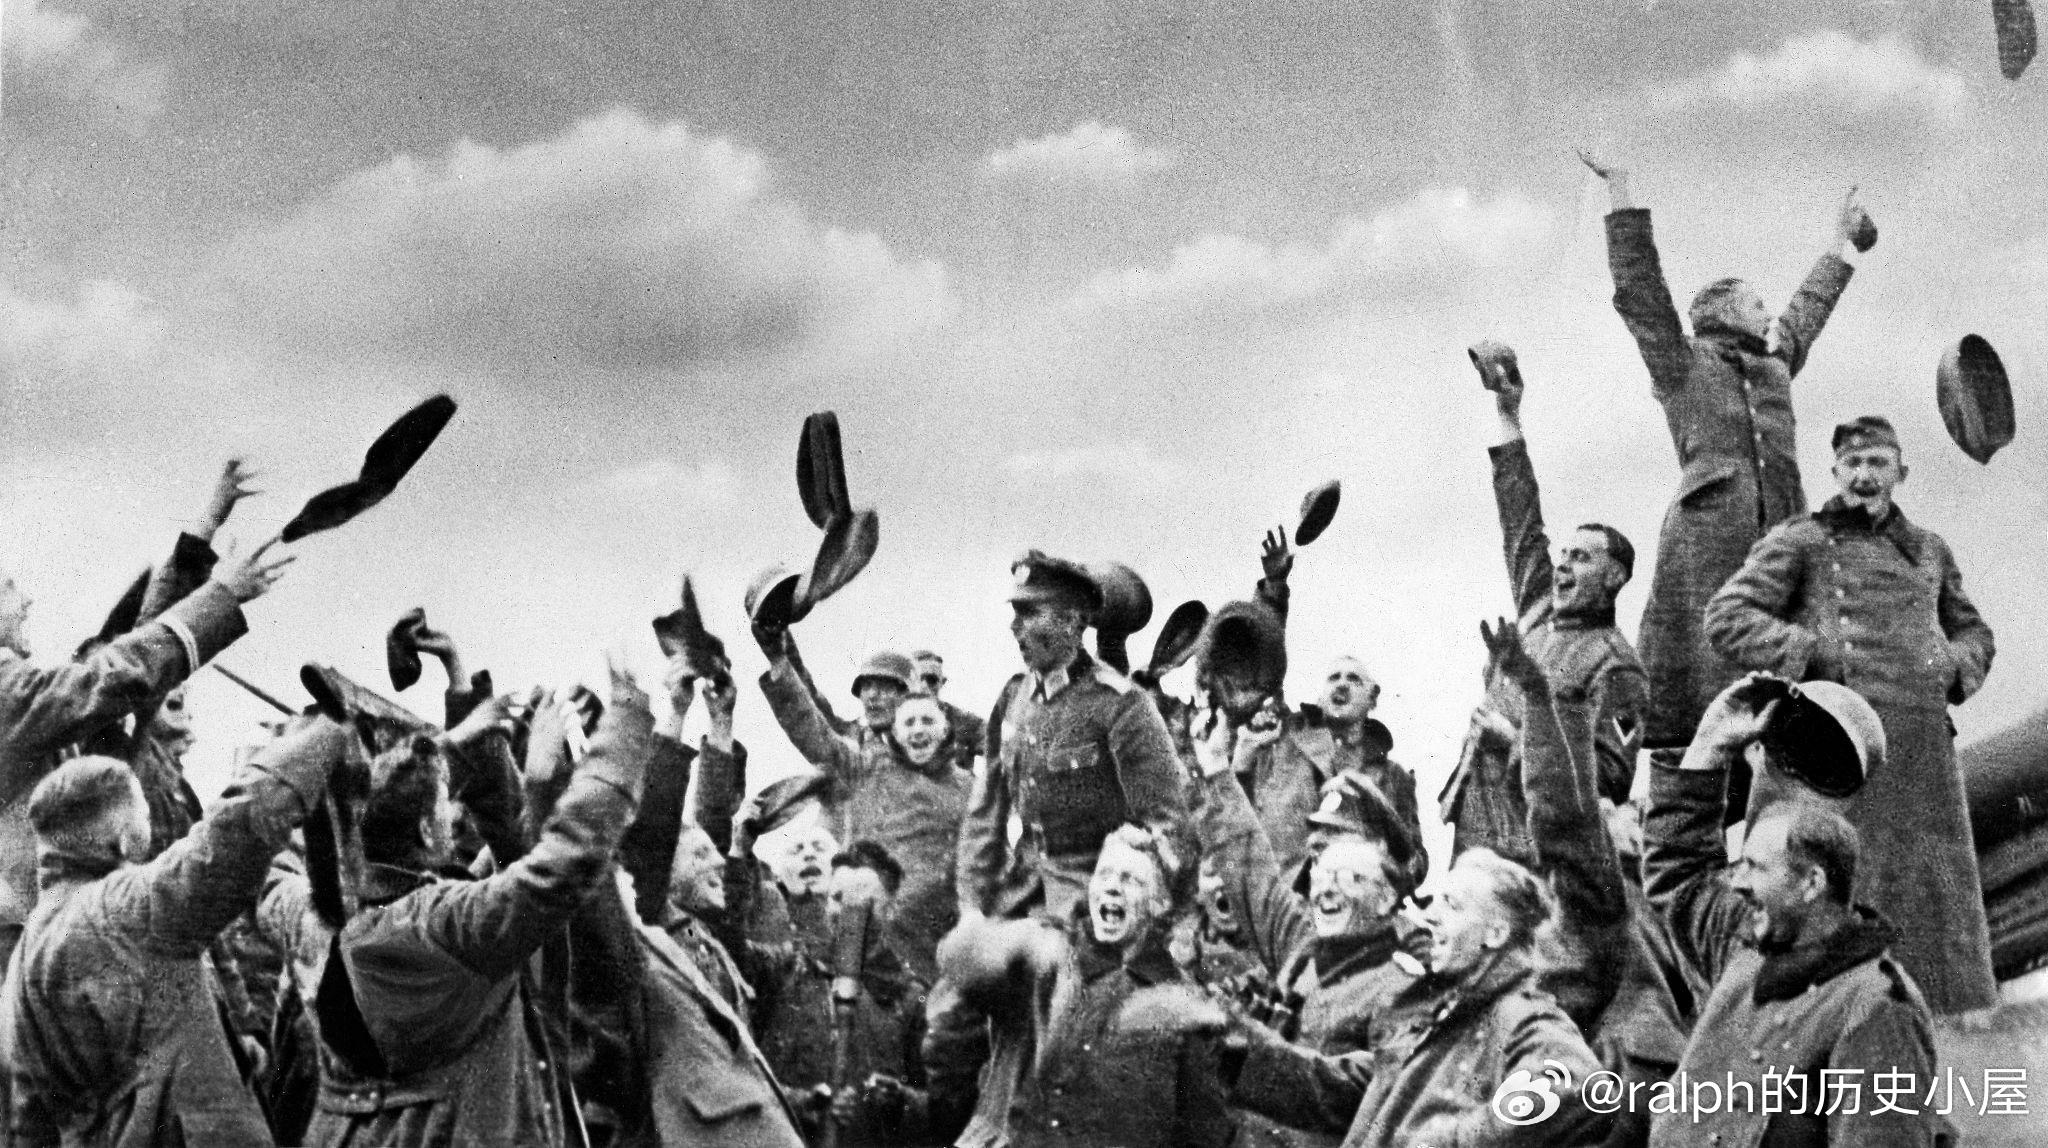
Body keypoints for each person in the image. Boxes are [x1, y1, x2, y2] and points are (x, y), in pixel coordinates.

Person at [1705, 415, 1996, 1014]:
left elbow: (1974, 633)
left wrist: (1950, 665)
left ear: (1900, 472)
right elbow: (1727, 615)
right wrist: (1813, 653)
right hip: (1828, 752)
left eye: (1877, 463)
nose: (1864, 476)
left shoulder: (1929, 549)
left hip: (1920, 759)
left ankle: (1937, 1024)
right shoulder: (1802, 539)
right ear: (1835, 472)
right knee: (1817, 887)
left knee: (1929, 903)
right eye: (1853, 464)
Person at [1582, 152, 1868, 757]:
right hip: (1706, 542)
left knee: (1793, 671)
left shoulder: (1774, 362)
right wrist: (1620, 189)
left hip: (1783, 531)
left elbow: (1807, 309)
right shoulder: (1682, 363)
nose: (1770, 313)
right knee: (1707, 670)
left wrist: (1841, 244)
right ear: (1726, 311)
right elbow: (1642, 294)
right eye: (1757, 303)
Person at [298, 663, 652, 1148]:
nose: (455, 812)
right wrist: (625, 724)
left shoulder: (355, 921)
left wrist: (466, 732)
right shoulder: (441, 922)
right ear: (427, 832)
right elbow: (557, 868)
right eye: (445, 802)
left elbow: (415, 804)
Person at [0, 718, 347, 1147]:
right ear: (125, 839)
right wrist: (330, 729)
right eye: (144, 816)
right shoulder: (121, 909)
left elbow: (26, 1122)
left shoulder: (27, 951)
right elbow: (236, 829)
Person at [1643, 674, 1945, 1145]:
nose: (1737, 883)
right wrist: (1711, 743)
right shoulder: (1748, 943)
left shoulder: (1876, 1008)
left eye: (1755, 868)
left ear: (1812, 883)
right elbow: (1680, 874)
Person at [0, 528, 291, 969]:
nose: (27, 600)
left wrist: (205, 534)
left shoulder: (26, 710)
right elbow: (111, 678)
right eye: (9, 588)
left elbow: (128, 664)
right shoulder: (9, 697)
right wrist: (219, 597)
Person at [1442, 341, 1647, 864]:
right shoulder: (1540, 609)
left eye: (1581, 557)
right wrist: (1507, 413)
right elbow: (1520, 517)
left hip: (1539, 847)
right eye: (1564, 555)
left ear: (1615, 576)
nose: (1563, 565)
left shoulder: (1617, 665)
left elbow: (1609, 780)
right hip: (1478, 824)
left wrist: (1513, 736)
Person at [941, 824, 1234, 1148]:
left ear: (1160, 902)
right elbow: (959, 961)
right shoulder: (1047, 955)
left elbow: (1204, 1131)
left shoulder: (1180, 1002)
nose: (1112, 888)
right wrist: (1015, 942)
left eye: (1130, 880)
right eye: (1104, 875)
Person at [958, 551, 1190, 923]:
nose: (1015, 627)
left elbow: (1168, 825)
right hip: (1019, 894)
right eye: (1015, 613)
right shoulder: (1013, 697)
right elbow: (985, 815)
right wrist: (971, 905)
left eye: (1029, 613)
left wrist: (1133, 907)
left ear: (1071, 621)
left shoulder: (1122, 704)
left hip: (1093, 901)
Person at [758, 627, 971, 981]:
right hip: (871, 933)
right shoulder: (861, 762)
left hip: (939, 936)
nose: (872, 696)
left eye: (884, 688)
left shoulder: (963, 784)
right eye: (866, 688)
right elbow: (813, 728)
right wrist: (779, 656)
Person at [1235, 656, 1426, 877]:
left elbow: (1416, 866)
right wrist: (1242, 761)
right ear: (1321, 695)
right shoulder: (1279, 745)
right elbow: (1237, 819)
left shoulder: (1393, 776)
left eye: (1354, 679)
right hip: (1280, 891)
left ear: (1372, 699)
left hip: (1348, 893)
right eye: (1334, 677)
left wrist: (1383, 816)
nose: (1342, 684)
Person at [910, 650, 987, 772]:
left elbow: (1002, 751)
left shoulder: (964, 721)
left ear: (942, 682)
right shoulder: (893, 724)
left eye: (931, 680)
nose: (923, 686)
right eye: (917, 679)